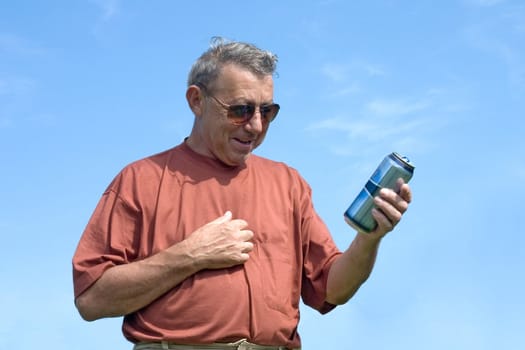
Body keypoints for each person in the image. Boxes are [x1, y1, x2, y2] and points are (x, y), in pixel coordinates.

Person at [72, 37, 412, 350]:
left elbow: (333, 289)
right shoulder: (139, 180)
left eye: (267, 111)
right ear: (196, 101)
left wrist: (370, 239)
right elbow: (91, 299)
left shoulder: (289, 183)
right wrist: (190, 255)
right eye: (240, 110)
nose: (256, 126)